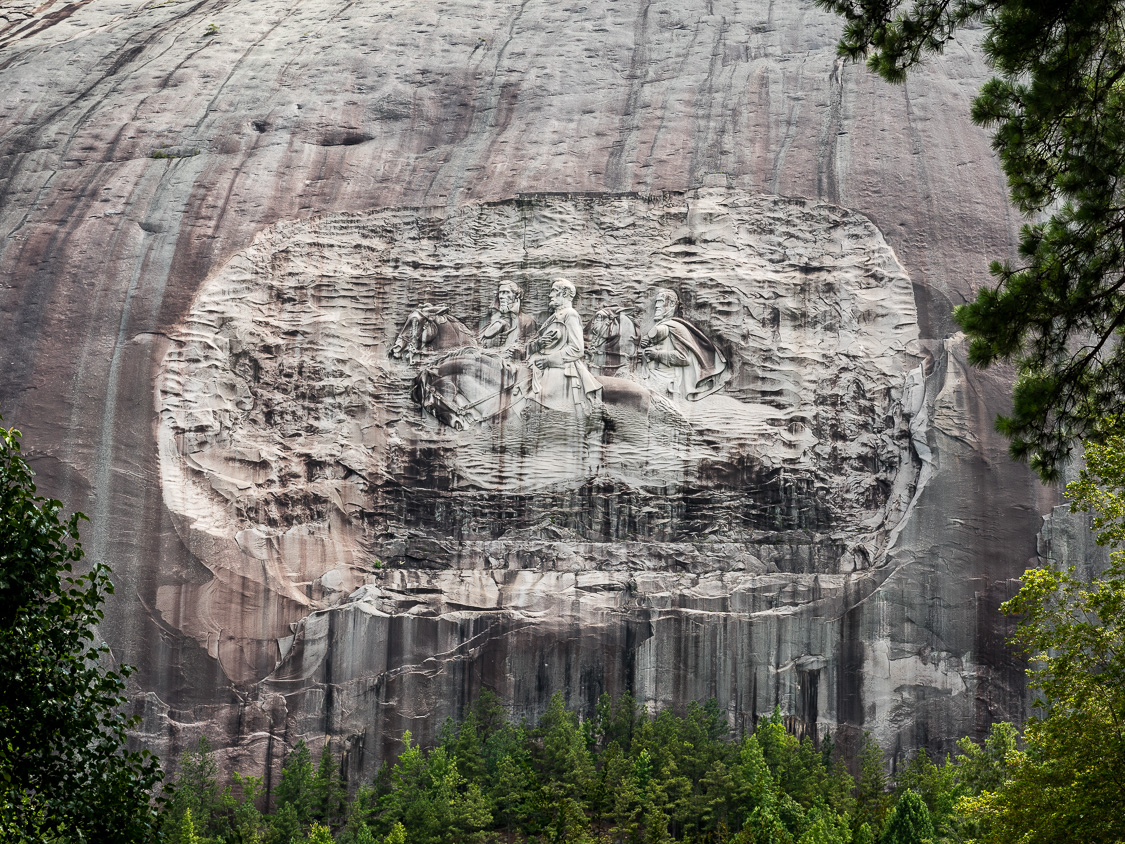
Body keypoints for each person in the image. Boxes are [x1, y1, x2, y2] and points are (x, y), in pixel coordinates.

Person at [640, 288, 730, 400]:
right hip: (650, 375)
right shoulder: (660, 326)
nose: (657, 306)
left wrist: (657, 355)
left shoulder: (675, 327)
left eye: (660, 302)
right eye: (656, 302)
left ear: (672, 303)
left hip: (666, 381)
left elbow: (683, 358)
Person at [527, 278, 602, 413]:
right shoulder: (553, 317)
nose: (550, 295)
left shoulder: (570, 314)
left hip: (562, 366)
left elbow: (577, 349)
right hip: (540, 364)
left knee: (539, 400)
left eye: (554, 291)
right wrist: (539, 343)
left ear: (566, 294)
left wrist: (548, 361)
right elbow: (537, 341)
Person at [479, 280, 537, 358]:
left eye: (506, 292)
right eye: (500, 292)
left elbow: (533, 347)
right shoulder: (494, 318)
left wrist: (519, 352)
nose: (501, 296)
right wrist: (492, 341)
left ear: (516, 295)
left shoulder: (527, 321)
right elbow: (479, 341)